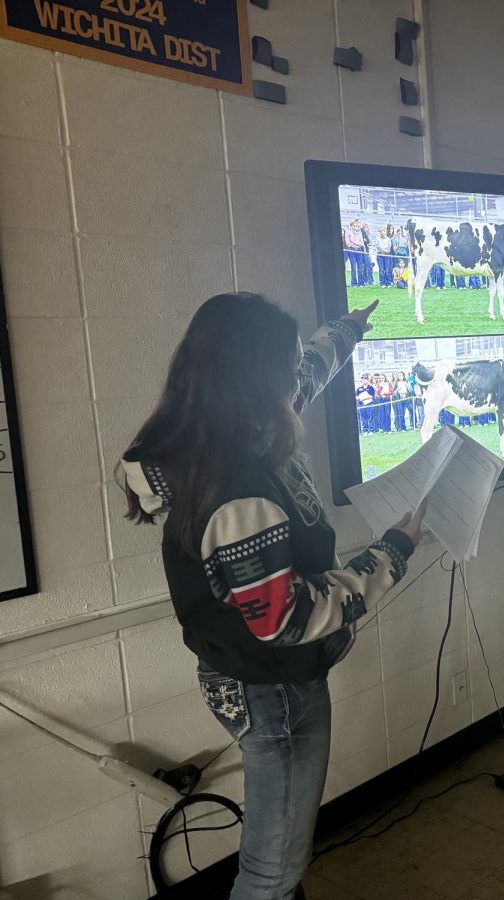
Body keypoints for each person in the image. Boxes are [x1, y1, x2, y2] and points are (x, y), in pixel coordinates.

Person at [118, 294, 425, 899]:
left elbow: (310, 371)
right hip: (275, 688)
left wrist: (347, 330)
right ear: (258, 381)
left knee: (276, 850)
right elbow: (282, 620)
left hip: (250, 676)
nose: (295, 380)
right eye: (284, 369)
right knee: (273, 869)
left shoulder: (229, 431)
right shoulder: (239, 489)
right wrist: (392, 551)